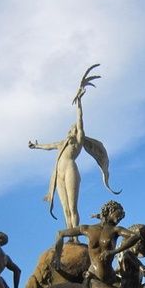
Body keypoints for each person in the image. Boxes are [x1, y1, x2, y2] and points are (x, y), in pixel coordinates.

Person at [28, 65, 115, 229]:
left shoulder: (79, 139)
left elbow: (80, 120)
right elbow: (48, 146)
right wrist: (36, 145)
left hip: (70, 169)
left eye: (73, 128)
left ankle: (74, 234)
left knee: (73, 207)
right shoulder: (62, 144)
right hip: (58, 173)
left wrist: (79, 102)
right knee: (65, 208)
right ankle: (70, 235)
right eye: (71, 128)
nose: (71, 129)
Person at [52, 200, 138, 288]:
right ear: (110, 211)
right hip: (94, 278)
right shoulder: (88, 229)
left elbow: (135, 236)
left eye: (122, 216)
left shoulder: (115, 230)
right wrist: (57, 256)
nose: (121, 218)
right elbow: (60, 234)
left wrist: (114, 251)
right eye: (119, 214)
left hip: (110, 277)